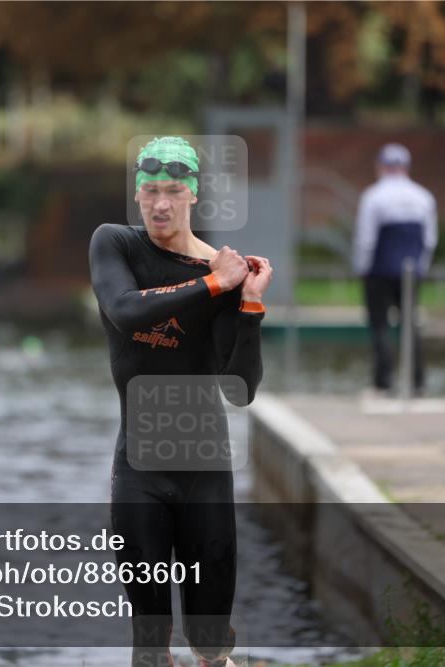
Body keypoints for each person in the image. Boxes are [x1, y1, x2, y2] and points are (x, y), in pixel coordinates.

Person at [88, 136, 272, 667]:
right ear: (137, 195)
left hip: (204, 470)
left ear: (194, 195)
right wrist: (215, 284)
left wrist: (249, 305)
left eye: (172, 191)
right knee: (149, 643)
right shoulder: (115, 244)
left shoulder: (224, 270)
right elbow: (126, 311)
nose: (160, 203)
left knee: (210, 641)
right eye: (150, 191)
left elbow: (241, 389)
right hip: (138, 469)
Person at [352, 142, 437, 394]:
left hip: (379, 271)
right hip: (411, 273)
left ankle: (383, 382)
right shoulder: (423, 197)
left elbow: (366, 239)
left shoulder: (373, 196)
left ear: (381, 166)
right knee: (410, 325)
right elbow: (430, 241)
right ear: (406, 167)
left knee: (379, 325)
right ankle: (418, 382)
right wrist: (421, 268)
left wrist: (361, 267)